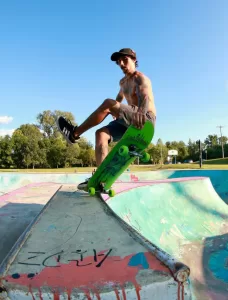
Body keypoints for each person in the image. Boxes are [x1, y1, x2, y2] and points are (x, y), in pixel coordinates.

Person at [57, 48, 156, 189]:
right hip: (129, 121)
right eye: (118, 62)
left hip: (144, 119)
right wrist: (117, 113)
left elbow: (144, 95)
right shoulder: (122, 83)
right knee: (101, 134)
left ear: (134, 60)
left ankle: (74, 133)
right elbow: (119, 98)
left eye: (125, 60)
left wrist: (140, 110)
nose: (121, 64)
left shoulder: (140, 78)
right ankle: (102, 177)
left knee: (108, 104)